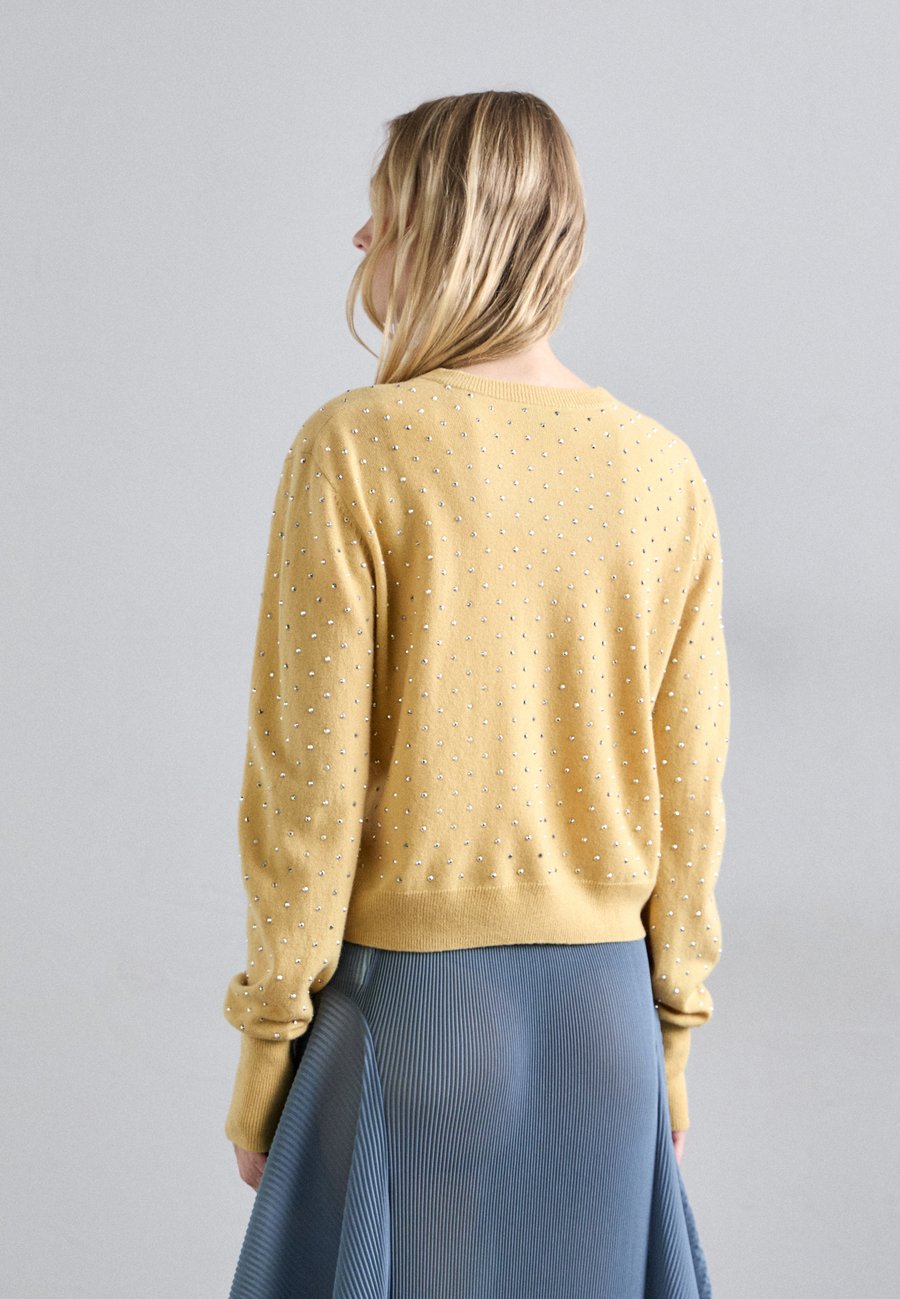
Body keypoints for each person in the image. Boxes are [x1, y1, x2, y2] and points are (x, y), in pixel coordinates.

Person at [223, 90, 729, 1298]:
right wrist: (672, 1036)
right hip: (607, 1024)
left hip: (419, 1015)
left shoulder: (356, 448)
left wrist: (267, 1046)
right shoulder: (662, 470)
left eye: (383, 210)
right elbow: (691, 792)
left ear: (451, 230)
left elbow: (309, 791)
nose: (361, 239)